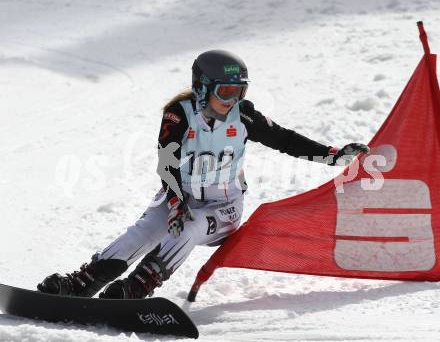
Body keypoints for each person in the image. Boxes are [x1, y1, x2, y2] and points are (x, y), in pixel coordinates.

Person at [37, 50, 369, 299]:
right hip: (179, 196)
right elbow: (167, 163)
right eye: (226, 92)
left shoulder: (245, 116)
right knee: (144, 231)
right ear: (203, 87)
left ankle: (138, 287)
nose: (233, 100)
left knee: (190, 228)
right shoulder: (179, 115)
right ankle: (83, 282)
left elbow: (284, 139)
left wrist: (334, 156)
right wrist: (174, 202)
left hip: (222, 208)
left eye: (239, 92)